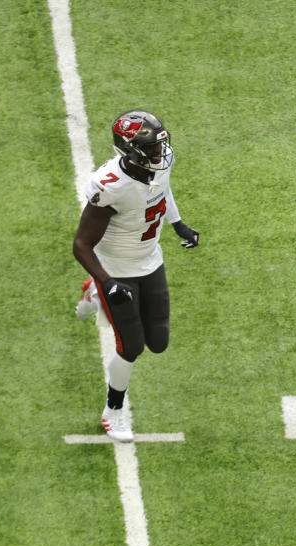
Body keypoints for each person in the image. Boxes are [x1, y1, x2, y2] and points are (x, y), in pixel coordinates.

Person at [72, 109, 200, 442]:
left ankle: (93, 292)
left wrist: (178, 224)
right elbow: (82, 245)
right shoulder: (110, 187)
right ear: (131, 150)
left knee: (158, 342)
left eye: (161, 144)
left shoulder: (159, 164)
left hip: (149, 260)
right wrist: (108, 281)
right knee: (131, 346)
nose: (161, 152)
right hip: (116, 269)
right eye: (153, 147)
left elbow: (162, 191)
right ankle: (113, 412)